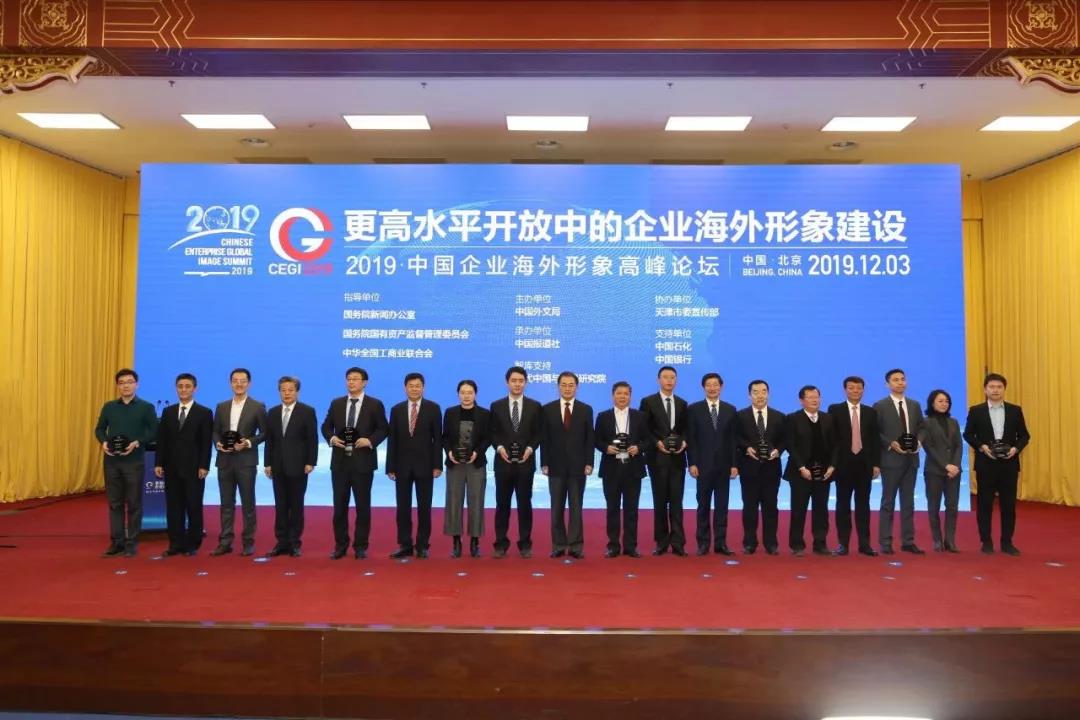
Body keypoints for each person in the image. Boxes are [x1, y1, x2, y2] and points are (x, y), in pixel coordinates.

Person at [321, 367, 388, 559]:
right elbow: (326, 427)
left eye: (355, 379)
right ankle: (340, 545)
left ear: (364, 382)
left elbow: (383, 429)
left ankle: (360, 546)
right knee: (339, 507)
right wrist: (332, 438)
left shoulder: (374, 404)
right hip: (340, 463)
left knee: (362, 506)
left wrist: (370, 441)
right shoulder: (337, 403)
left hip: (363, 462)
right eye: (348, 379)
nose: (351, 382)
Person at [963, 373, 1031, 556]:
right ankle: (986, 542)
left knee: (1008, 505)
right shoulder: (976, 411)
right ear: (985, 390)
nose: (995, 390)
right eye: (992, 387)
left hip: (1009, 464)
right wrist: (982, 447)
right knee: (984, 504)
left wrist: (1015, 449)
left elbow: (1025, 436)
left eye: (999, 387)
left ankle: (1007, 542)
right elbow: (968, 434)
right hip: (986, 464)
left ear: (1004, 389)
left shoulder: (1015, 410)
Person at [94, 368, 159, 557]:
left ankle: (132, 543)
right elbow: (99, 429)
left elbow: (154, 431)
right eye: (122, 383)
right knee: (115, 504)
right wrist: (103, 442)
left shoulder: (146, 407)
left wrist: (137, 442)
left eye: (130, 382)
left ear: (136, 385)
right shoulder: (109, 407)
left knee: (134, 503)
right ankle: (117, 542)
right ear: (117, 386)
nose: (126, 386)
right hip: (112, 461)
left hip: (134, 462)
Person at [153, 373, 213, 556]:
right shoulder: (168, 412)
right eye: (180, 386)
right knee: (173, 507)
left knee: (193, 506)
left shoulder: (204, 413)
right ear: (176, 388)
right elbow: (162, 440)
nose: (184, 389)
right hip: (171, 467)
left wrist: (204, 465)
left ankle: (193, 544)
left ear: (195, 388)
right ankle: (175, 543)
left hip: (194, 468)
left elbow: (206, 442)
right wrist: (159, 462)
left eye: (187, 386)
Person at [210, 368, 267, 557]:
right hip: (224, 460)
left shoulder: (257, 406)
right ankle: (225, 541)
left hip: (246, 461)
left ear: (249, 383)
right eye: (235, 380)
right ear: (230, 383)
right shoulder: (221, 406)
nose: (239, 384)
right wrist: (218, 443)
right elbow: (215, 431)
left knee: (248, 503)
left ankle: (248, 542)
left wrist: (248, 443)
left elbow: (265, 432)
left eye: (243, 380)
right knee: (226, 503)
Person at [386, 372, 443, 559]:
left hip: (425, 466)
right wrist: (390, 466)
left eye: (418, 386)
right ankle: (405, 544)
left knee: (424, 507)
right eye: (411, 386)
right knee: (402, 508)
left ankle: (422, 545)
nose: (414, 389)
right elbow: (392, 440)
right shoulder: (396, 410)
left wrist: (437, 465)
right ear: (405, 388)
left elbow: (438, 440)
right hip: (401, 466)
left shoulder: (433, 408)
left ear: (423, 388)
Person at [488, 366, 543, 559]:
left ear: (525, 382)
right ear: (507, 382)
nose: (517, 384)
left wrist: (530, 449)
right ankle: (500, 543)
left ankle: (525, 544)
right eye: (514, 381)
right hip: (503, 463)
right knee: (502, 505)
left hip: (525, 463)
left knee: (524, 504)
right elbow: (492, 432)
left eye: (521, 381)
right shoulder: (496, 406)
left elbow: (538, 433)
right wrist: (499, 448)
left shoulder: (535, 406)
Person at [540, 371, 594, 559]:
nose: (567, 388)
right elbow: (545, 439)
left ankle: (576, 546)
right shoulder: (547, 409)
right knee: (556, 508)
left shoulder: (585, 409)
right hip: (555, 466)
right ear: (558, 386)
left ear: (577, 387)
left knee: (576, 507)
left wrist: (589, 462)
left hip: (578, 467)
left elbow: (589, 439)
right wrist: (544, 462)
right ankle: (558, 545)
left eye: (571, 385)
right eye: (564, 384)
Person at [262, 376, 318, 558]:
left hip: (299, 466)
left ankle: (294, 543)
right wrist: (267, 463)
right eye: (283, 390)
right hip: (277, 466)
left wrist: (311, 462)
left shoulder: (307, 411)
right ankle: (281, 542)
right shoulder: (273, 412)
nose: (287, 393)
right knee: (280, 505)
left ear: (297, 392)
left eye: (290, 390)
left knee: (296, 505)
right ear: (279, 392)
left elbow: (312, 439)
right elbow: (269, 440)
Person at [827, 376, 881, 556]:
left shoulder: (870, 412)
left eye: (859, 388)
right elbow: (832, 440)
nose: (855, 391)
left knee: (863, 505)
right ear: (845, 390)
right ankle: (843, 544)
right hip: (842, 466)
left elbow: (875, 440)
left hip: (865, 466)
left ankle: (865, 544)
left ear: (863, 390)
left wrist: (876, 464)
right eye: (851, 388)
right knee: (842, 505)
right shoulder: (835, 410)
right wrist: (832, 464)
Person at [873, 368, 925, 555]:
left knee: (908, 502)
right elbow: (875, 432)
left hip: (911, 460)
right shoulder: (880, 406)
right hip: (890, 461)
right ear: (887, 384)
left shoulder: (914, 405)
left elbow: (922, 427)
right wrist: (890, 444)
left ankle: (908, 541)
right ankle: (885, 542)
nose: (900, 382)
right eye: (895, 380)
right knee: (888, 502)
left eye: (903, 379)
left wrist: (919, 441)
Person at [685, 373, 738, 556]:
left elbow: (733, 440)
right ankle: (703, 543)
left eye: (716, 384)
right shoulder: (694, 409)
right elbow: (691, 439)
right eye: (709, 385)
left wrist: (734, 464)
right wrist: (692, 463)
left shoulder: (730, 410)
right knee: (703, 506)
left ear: (721, 387)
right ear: (704, 387)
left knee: (722, 506)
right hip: (702, 466)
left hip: (724, 466)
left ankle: (721, 543)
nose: (712, 388)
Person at [638, 366, 689, 556]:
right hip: (657, 459)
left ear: (676, 380)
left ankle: (678, 542)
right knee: (660, 502)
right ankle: (661, 542)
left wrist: (685, 442)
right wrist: (657, 443)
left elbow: (686, 430)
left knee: (677, 502)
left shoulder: (682, 403)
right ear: (659, 380)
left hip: (677, 459)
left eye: (672, 377)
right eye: (665, 377)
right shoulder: (648, 402)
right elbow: (644, 429)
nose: (669, 380)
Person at [594, 381, 648, 558]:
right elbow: (596, 440)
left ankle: (631, 546)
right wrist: (606, 448)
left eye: (626, 394)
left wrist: (638, 448)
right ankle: (613, 546)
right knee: (612, 509)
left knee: (632, 510)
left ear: (630, 396)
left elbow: (648, 440)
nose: (622, 397)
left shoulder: (640, 416)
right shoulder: (603, 416)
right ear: (613, 396)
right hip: (611, 469)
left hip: (633, 469)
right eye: (619, 393)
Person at [784, 385, 838, 556]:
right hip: (800, 472)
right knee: (798, 510)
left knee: (821, 509)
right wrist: (801, 467)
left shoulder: (828, 418)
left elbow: (836, 444)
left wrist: (832, 466)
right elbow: (791, 445)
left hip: (823, 472)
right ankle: (797, 545)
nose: (815, 400)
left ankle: (820, 544)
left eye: (817, 397)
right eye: (810, 397)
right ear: (801, 400)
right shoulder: (793, 418)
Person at [734, 379, 786, 555]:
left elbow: (785, 439)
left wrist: (778, 450)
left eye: (763, 391)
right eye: (755, 392)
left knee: (771, 507)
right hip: (749, 468)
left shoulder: (779, 416)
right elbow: (736, 438)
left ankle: (771, 543)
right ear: (749, 395)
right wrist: (746, 448)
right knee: (749, 507)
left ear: (768, 394)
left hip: (771, 469)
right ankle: (750, 543)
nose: (760, 395)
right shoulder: (740, 416)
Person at [442, 380, 491, 558]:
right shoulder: (450, 412)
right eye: (463, 392)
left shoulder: (484, 414)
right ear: (458, 394)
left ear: (475, 394)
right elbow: (445, 437)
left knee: (476, 501)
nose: (466, 396)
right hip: (455, 463)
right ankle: (456, 541)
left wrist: (477, 452)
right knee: (454, 501)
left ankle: (475, 541)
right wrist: (449, 452)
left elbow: (487, 438)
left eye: (470, 392)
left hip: (475, 464)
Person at [920, 389, 963, 553]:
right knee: (934, 507)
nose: (944, 404)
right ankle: (937, 540)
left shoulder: (954, 422)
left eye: (947, 401)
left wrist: (955, 466)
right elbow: (928, 447)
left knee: (952, 506)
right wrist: (946, 465)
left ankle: (950, 540)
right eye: (940, 401)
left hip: (954, 472)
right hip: (934, 471)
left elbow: (958, 445)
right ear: (932, 403)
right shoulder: (926, 422)